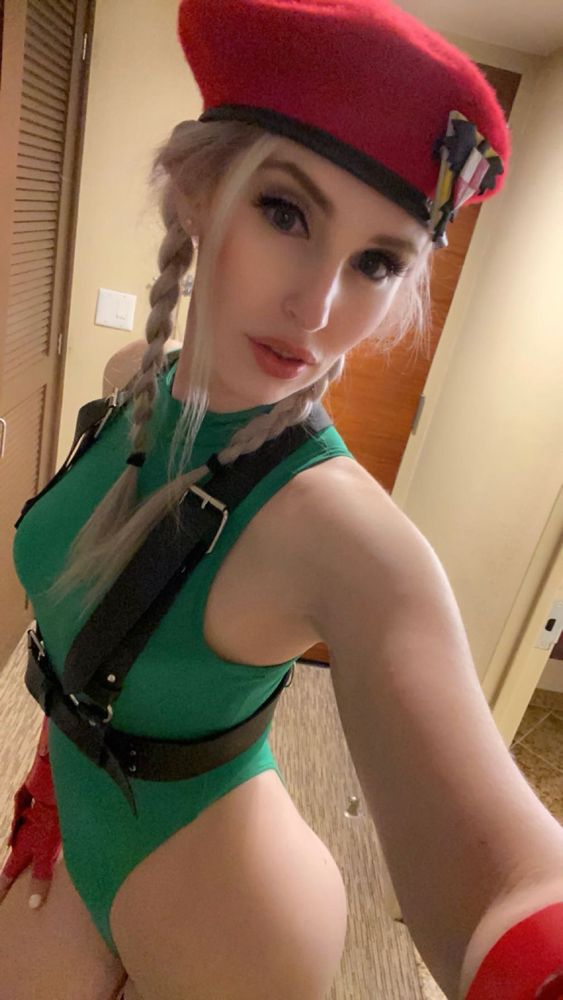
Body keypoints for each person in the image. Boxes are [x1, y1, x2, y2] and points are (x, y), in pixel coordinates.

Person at [2, 1, 563, 998]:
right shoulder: (132, 385)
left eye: (376, 263)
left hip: (233, 918)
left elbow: (503, 879)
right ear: (196, 192)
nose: (317, 307)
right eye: (286, 213)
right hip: (71, 828)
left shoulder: (343, 532)